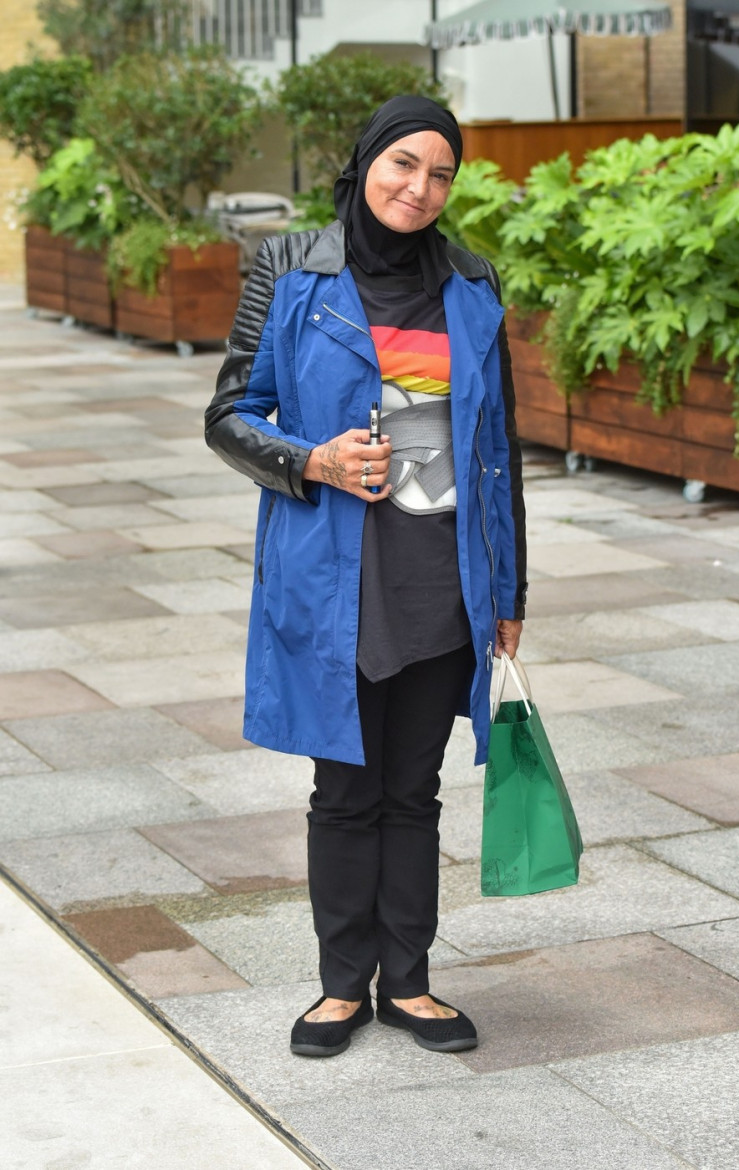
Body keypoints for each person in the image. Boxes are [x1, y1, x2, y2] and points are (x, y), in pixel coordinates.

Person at [205, 95, 527, 1058]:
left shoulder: (471, 282)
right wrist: (314, 461)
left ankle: (412, 983)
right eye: (403, 165)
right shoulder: (291, 268)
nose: (419, 189)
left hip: (442, 585)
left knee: (414, 790)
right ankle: (342, 986)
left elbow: (499, 451)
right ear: (365, 161)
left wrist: (510, 596)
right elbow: (231, 413)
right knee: (345, 791)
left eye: (441, 175)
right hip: (334, 578)